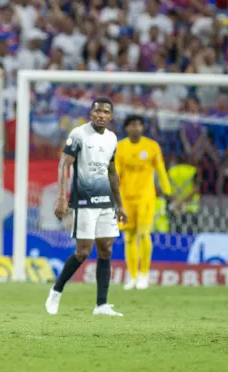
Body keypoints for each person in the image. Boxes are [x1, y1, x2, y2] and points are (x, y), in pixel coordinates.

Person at [47, 98, 128, 317]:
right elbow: (64, 164)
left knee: (106, 249)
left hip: (106, 201)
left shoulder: (112, 138)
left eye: (106, 112)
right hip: (83, 200)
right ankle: (56, 291)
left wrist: (119, 204)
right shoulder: (78, 134)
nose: (102, 115)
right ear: (90, 114)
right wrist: (62, 198)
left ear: (111, 116)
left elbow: (111, 172)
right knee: (83, 251)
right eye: (98, 111)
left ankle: (101, 305)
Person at [115, 115, 172, 290]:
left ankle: (144, 275)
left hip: (146, 198)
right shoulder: (120, 148)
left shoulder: (151, 146)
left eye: (139, 125)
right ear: (126, 128)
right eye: (132, 125)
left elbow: (161, 170)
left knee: (143, 234)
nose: (136, 128)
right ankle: (132, 276)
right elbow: (115, 175)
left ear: (143, 128)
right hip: (126, 199)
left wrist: (167, 191)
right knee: (129, 237)